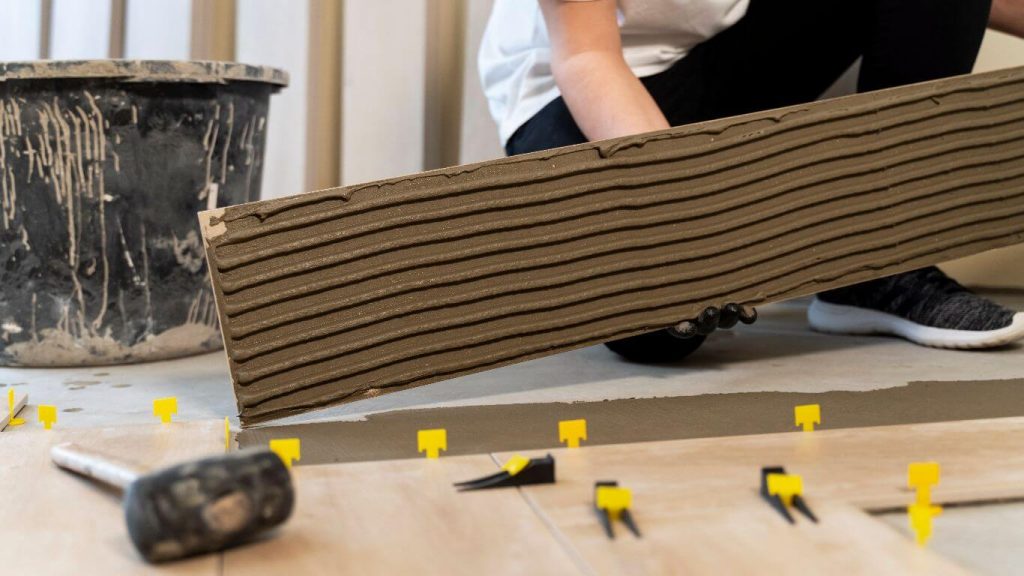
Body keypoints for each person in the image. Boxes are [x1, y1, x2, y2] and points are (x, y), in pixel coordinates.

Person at [479, 0, 1024, 361]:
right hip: (572, 89)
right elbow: (586, 56)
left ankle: (874, 262)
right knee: (656, 329)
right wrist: (687, 213)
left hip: (706, 61)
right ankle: (688, 263)